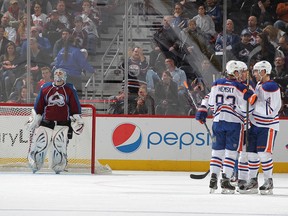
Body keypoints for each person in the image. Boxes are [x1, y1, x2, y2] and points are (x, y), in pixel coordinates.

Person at [195, 60, 257, 194]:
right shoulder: (241, 87)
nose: (243, 74)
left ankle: (213, 178)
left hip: (217, 122)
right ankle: (226, 180)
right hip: (234, 123)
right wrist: (250, 102)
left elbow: (211, 102)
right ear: (235, 72)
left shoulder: (216, 83)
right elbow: (245, 108)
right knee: (231, 153)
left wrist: (204, 108)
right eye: (241, 72)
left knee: (216, 152)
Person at [25, 68, 84, 174]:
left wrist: (77, 118)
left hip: (63, 124)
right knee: (40, 145)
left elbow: (75, 106)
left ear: (65, 76)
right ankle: (35, 164)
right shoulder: (45, 88)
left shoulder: (69, 89)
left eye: (60, 73)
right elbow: (38, 105)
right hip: (46, 123)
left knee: (59, 146)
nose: (58, 75)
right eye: (56, 73)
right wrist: (35, 117)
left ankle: (58, 166)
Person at [239, 60, 281, 195]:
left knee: (264, 154)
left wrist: (253, 101)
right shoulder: (259, 84)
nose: (254, 74)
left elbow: (270, 111)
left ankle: (268, 181)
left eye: (256, 71)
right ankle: (253, 180)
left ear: (263, 71)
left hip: (267, 126)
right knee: (251, 154)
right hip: (255, 124)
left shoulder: (271, 87)